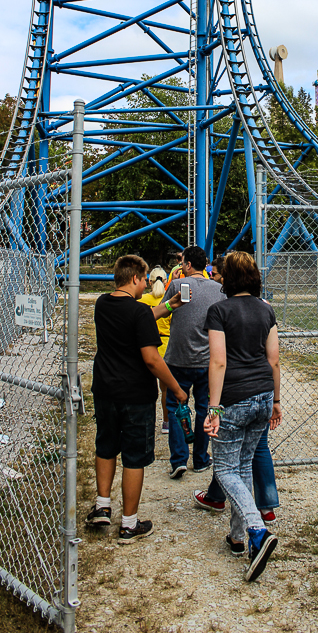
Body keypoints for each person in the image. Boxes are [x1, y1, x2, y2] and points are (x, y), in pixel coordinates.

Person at [86, 255, 188, 544]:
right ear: (135, 278)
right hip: (136, 395)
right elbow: (152, 360)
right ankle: (129, 524)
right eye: (144, 280)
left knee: (105, 446)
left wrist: (168, 306)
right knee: (133, 457)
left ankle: (102, 506)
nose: (146, 284)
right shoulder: (139, 313)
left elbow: (134, 318)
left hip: (105, 389)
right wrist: (177, 389)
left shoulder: (102, 304)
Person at [204, 251, 282, 582]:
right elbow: (274, 359)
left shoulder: (219, 311)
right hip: (264, 395)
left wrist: (214, 408)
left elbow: (218, 362)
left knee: (224, 468)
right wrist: (276, 401)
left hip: (234, 398)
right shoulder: (266, 310)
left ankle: (256, 530)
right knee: (244, 465)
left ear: (227, 277)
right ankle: (238, 538)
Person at [162, 246, 225, 477]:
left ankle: (178, 458)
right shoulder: (218, 289)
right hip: (206, 361)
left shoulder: (179, 286)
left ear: (188, 265)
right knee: (203, 409)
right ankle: (200, 458)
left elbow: (164, 310)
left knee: (175, 407)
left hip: (178, 358)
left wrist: (175, 283)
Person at [139, 266, 171, 433]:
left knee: (147, 388)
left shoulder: (142, 300)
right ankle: (166, 422)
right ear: (166, 281)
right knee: (165, 389)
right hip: (165, 345)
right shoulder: (169, 302)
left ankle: (147, 421)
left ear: (149, 281)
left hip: (147, 345)